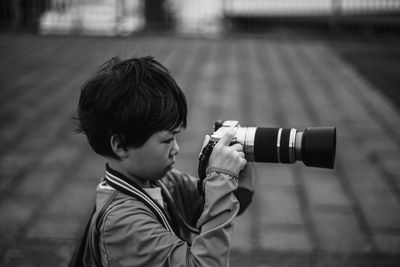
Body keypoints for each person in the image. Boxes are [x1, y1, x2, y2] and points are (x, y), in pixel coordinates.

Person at [73, 56, 255, 266]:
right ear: (121, 145)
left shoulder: (163, 181)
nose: (176, 149)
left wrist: (238, 158)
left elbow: (233, 202)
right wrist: (222, 177)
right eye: (168, 139)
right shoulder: (121, 222)